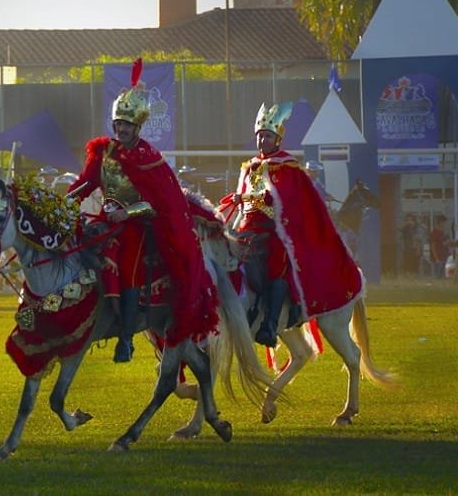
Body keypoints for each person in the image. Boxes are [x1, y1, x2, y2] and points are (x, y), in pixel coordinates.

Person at [67, 58, 219, 363]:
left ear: (137, 125)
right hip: (104, 220)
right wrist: (65, 203)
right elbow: (85, 184)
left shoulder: (150, 157)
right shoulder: (103, 153)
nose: (121, 128)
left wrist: (126, 214)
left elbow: (157, 203)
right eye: (118, 123)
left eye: (127, 124)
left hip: (135, 226)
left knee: (127, 264)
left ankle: (125, 338)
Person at [220, 102, 362, 347]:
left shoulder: (287, 166)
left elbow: (277, 201)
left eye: (267, 136)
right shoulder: (250, 166)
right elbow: (244, 201)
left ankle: (269, 325)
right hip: (247, 229)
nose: (262, 140)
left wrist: (246, 199)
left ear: (278, 139)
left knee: (277, 262)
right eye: (260, 136)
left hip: (276, 231)